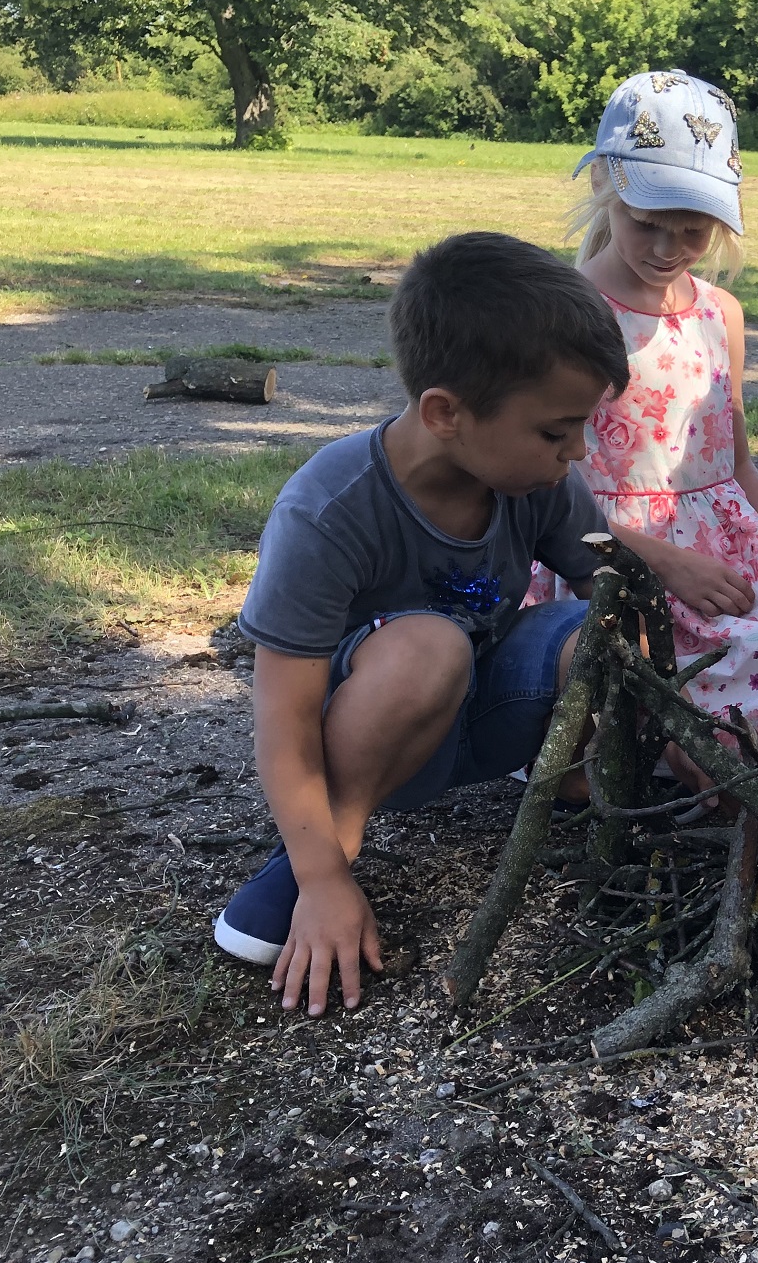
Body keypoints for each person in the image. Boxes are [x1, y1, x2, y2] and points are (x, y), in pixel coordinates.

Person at [214, 232, 629, 1017]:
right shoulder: (329, 508)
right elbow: (283, 714)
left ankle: (572, 786)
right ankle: (330, 845)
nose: (575, 452)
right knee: (428, 647)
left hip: (489, 715)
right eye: (555, 431)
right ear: (446, 413)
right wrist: (323, 878)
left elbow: (601, 585)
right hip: (385, 734)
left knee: (602, 627)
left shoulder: (534, 484)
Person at [528, 69, 758, 758]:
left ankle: (731, 751)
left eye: (692, 230)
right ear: (606, 185)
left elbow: (736, 461)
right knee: (633, 656)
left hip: (726, 552)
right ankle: (685, 753)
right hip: (608, 552)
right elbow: (550, 483)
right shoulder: (566, 312)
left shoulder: (721, 315)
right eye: (647, 225)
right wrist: (662, 563)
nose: (667, 250)